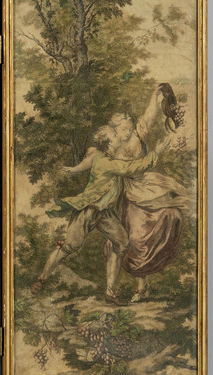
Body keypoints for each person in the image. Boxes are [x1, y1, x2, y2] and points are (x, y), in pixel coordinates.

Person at [31, 116, 176, 304]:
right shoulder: (109, 163)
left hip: (105, 213)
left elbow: (89, 161)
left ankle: (110, 292)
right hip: (87, 211)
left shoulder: (103, 157)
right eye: (115, 137)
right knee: (70, 246)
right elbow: (134, 167)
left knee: (121, 242)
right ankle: (41, 278)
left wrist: (75, 169)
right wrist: (157, 152)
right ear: (108, 143)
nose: (118, 138)